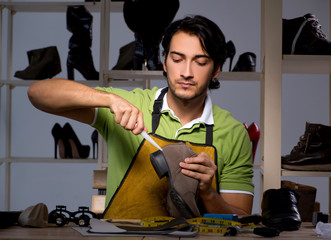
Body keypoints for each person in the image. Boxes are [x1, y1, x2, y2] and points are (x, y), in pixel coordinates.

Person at [28, 15, 254, 217]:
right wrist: (109, 100)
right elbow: (38, 93)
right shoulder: (131, 104)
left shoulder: (233, 133)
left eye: (200, 62)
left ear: (215, 69)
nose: (186, 72)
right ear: (164, 62)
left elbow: (242, 217)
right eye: (177, 59)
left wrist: (208, 193)